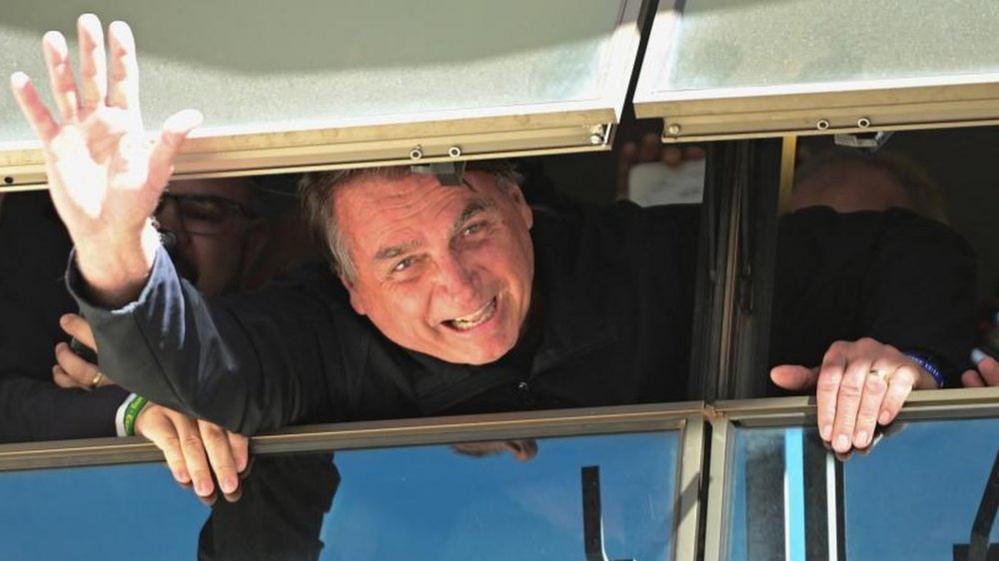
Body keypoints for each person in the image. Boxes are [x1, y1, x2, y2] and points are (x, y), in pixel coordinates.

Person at [8, 15, 969, 500]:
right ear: (347, 285)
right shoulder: (317, 330)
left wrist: (901, 354)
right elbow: (203, 370)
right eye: (401, 263)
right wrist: (111, 237)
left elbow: (911, 251)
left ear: (521, 203)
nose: (457, 285)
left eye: (470, 227)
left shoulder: (646, 260)